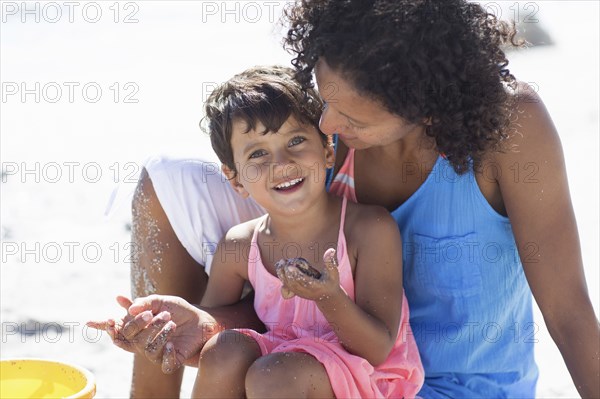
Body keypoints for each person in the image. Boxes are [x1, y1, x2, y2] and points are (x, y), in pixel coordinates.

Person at [91, 1, 599, 398]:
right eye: (324, 100)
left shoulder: (511, 126)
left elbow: (570, 312)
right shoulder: (322, 142)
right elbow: (282, 305)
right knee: (165, 181)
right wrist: (200, 326)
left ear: (424, 106)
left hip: (439, 385)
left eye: (351, 119)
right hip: (331, 364)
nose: (327, 126)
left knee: (277, 378)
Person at [90, 65, 424, 398]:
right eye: (258, 153)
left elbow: (378, 349)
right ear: (235, 178)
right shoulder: (238, 246)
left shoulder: (367, 230)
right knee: (225, 349)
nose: (281, 163)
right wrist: (166, 333)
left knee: (273, 375)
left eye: (295, 140)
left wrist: (328, 297)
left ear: (327, 150)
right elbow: (205, 350)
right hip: (282, 368)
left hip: (367, 380)